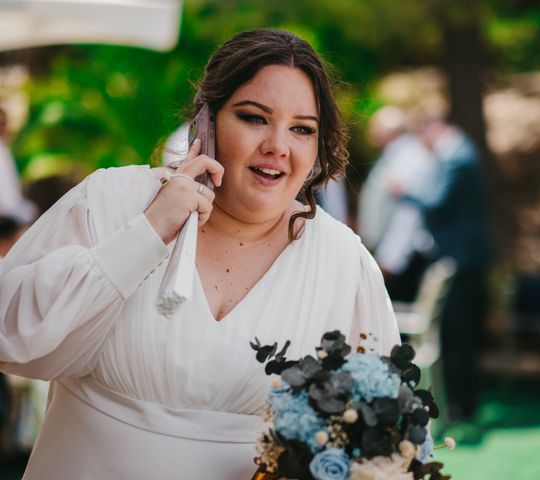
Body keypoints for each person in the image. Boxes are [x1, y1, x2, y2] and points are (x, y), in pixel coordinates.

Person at [0, 29, 399, 479]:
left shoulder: (342, 261)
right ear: (205, 122)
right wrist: (147, 233)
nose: (277, 146)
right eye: (253, 118)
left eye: (302, 129)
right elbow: (10, 335)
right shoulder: (114, 201)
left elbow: (383, 427)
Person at [401, 116, 491, 421]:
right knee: (457, 332)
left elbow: (439, 203)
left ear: (434, 129)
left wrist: (406, 193)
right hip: (463, 257)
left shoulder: (458, 157)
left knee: (461, 333)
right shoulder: (459, 154)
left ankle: (464, 404)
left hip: (463, 260)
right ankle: (460, 401)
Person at [358, 106, 439, 302]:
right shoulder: (395, 155)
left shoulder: (410, 159)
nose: (370, 134)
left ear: (390, 132)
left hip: (402, 261)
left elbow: (409, 214)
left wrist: (390, 260)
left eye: (375, 128)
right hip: (393, 256)